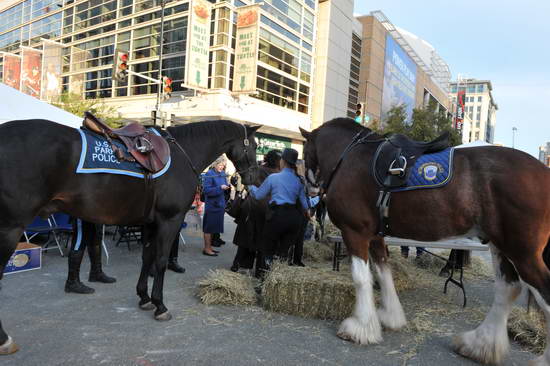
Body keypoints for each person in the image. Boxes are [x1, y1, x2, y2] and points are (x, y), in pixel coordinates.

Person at [248, 148, 309, 276]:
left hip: (277, 217)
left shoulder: (273, 178)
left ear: (283, 161)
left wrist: (250, 187)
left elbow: (258, 196)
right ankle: (278, 279)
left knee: (267, 250)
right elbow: (305, 204)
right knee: (283, 253)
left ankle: (265, 279)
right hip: (293, 219)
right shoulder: (299, 181)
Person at [228, 149, 282, 274]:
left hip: (251, 207)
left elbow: (246, 183)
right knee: (262, 242)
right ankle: (260, 271)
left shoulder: (257, 169)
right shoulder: (279, 174)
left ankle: (239, 264)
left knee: (246, 239)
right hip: (264, 210)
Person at [65, 219, 116, 294]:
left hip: (93, 213)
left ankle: (96, 272)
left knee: (96, 236)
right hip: (80, 211)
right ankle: (72, 281)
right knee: (79, 239)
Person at [202, 156, 229, 256]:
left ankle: (210, 247)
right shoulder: (209, 174)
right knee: (208, 228)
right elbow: (206, 191)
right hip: (212, 205)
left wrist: (226, 187)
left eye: (223, 165)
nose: (222, 167)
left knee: (213, 228)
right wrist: (220, 187)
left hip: (220, 204)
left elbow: (224, 184)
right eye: (221, 165)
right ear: (215, 164)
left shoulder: (222, 173)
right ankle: (206, 248)